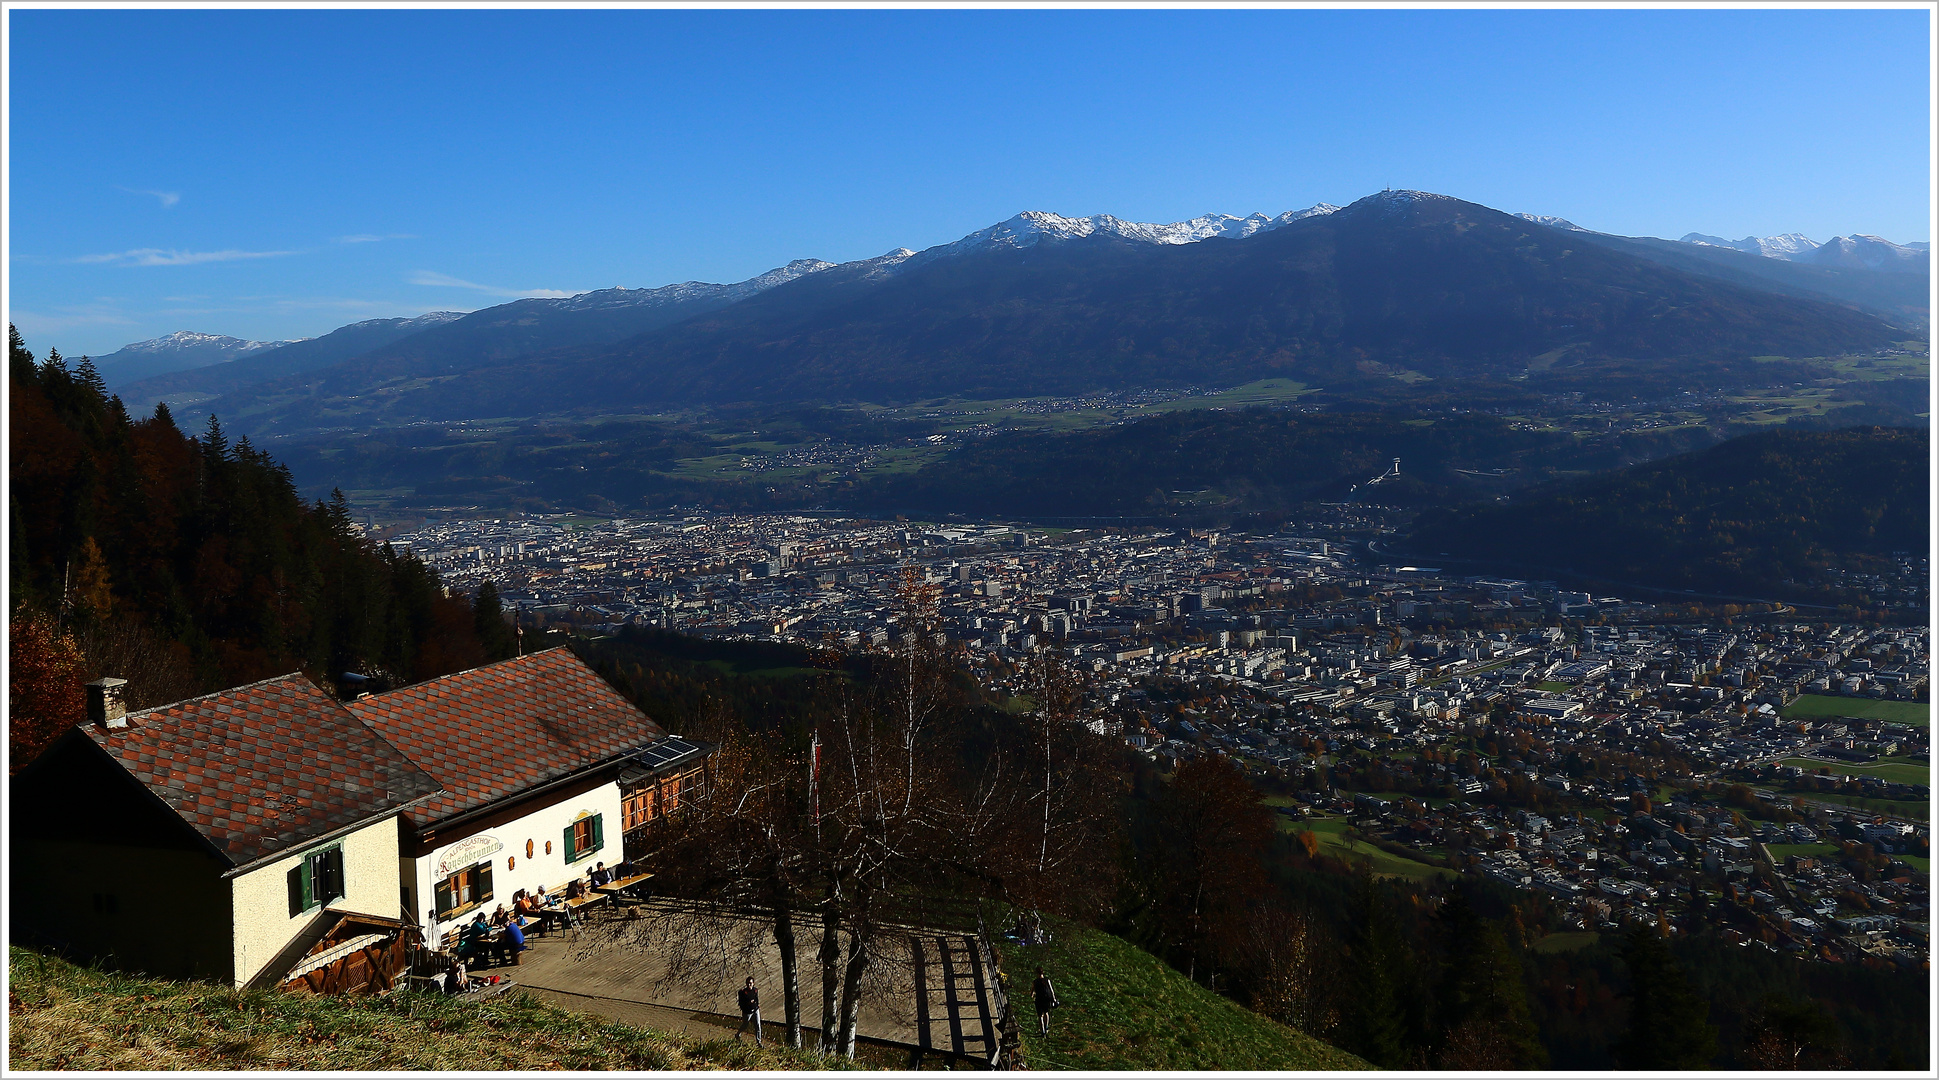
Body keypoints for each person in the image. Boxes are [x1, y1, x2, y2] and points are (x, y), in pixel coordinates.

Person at [1032, 967, 1059, 1038]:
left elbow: (1032, 991)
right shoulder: (1047, 980)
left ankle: (1042, 1031)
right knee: (1046, 1013)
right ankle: (1046, 1027)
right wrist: (1054, 999)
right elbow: (1051, 990)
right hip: (1047, 998)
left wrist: (1032, 995)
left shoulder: (1035, 982)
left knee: (1040, 1016)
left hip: (1039, 999)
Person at [736, 977, 763, 1046]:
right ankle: (738, 1034)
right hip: (747, 1012)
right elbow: (741, 1003)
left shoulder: (755, 990)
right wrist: (748, 1003)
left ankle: (759, 1042)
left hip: (755, 1010)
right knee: (745, 1025)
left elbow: (756, 999)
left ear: (753, 983)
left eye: (750, 983)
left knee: (758, 1025)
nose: (749, 985)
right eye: (748, 983)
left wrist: (757, 1005)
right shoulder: (742, 992)